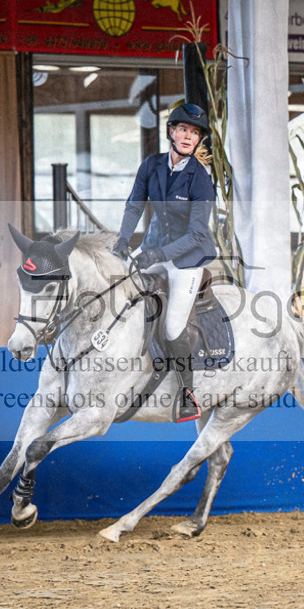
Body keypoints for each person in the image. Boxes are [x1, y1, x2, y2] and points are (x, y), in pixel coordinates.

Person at [110, 103, 218, 422]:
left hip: (187, 259)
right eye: (183, 129)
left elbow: (197, 234)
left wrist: (159, 255)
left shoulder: (201, 179)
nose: (188, 136)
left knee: (172, 327)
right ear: (171, 132)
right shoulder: (152, 165)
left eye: (194, 133)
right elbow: (134, 206)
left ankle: (187, 394)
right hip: (152, 247)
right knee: (118, 290)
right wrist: (122, 240)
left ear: (198, 140)